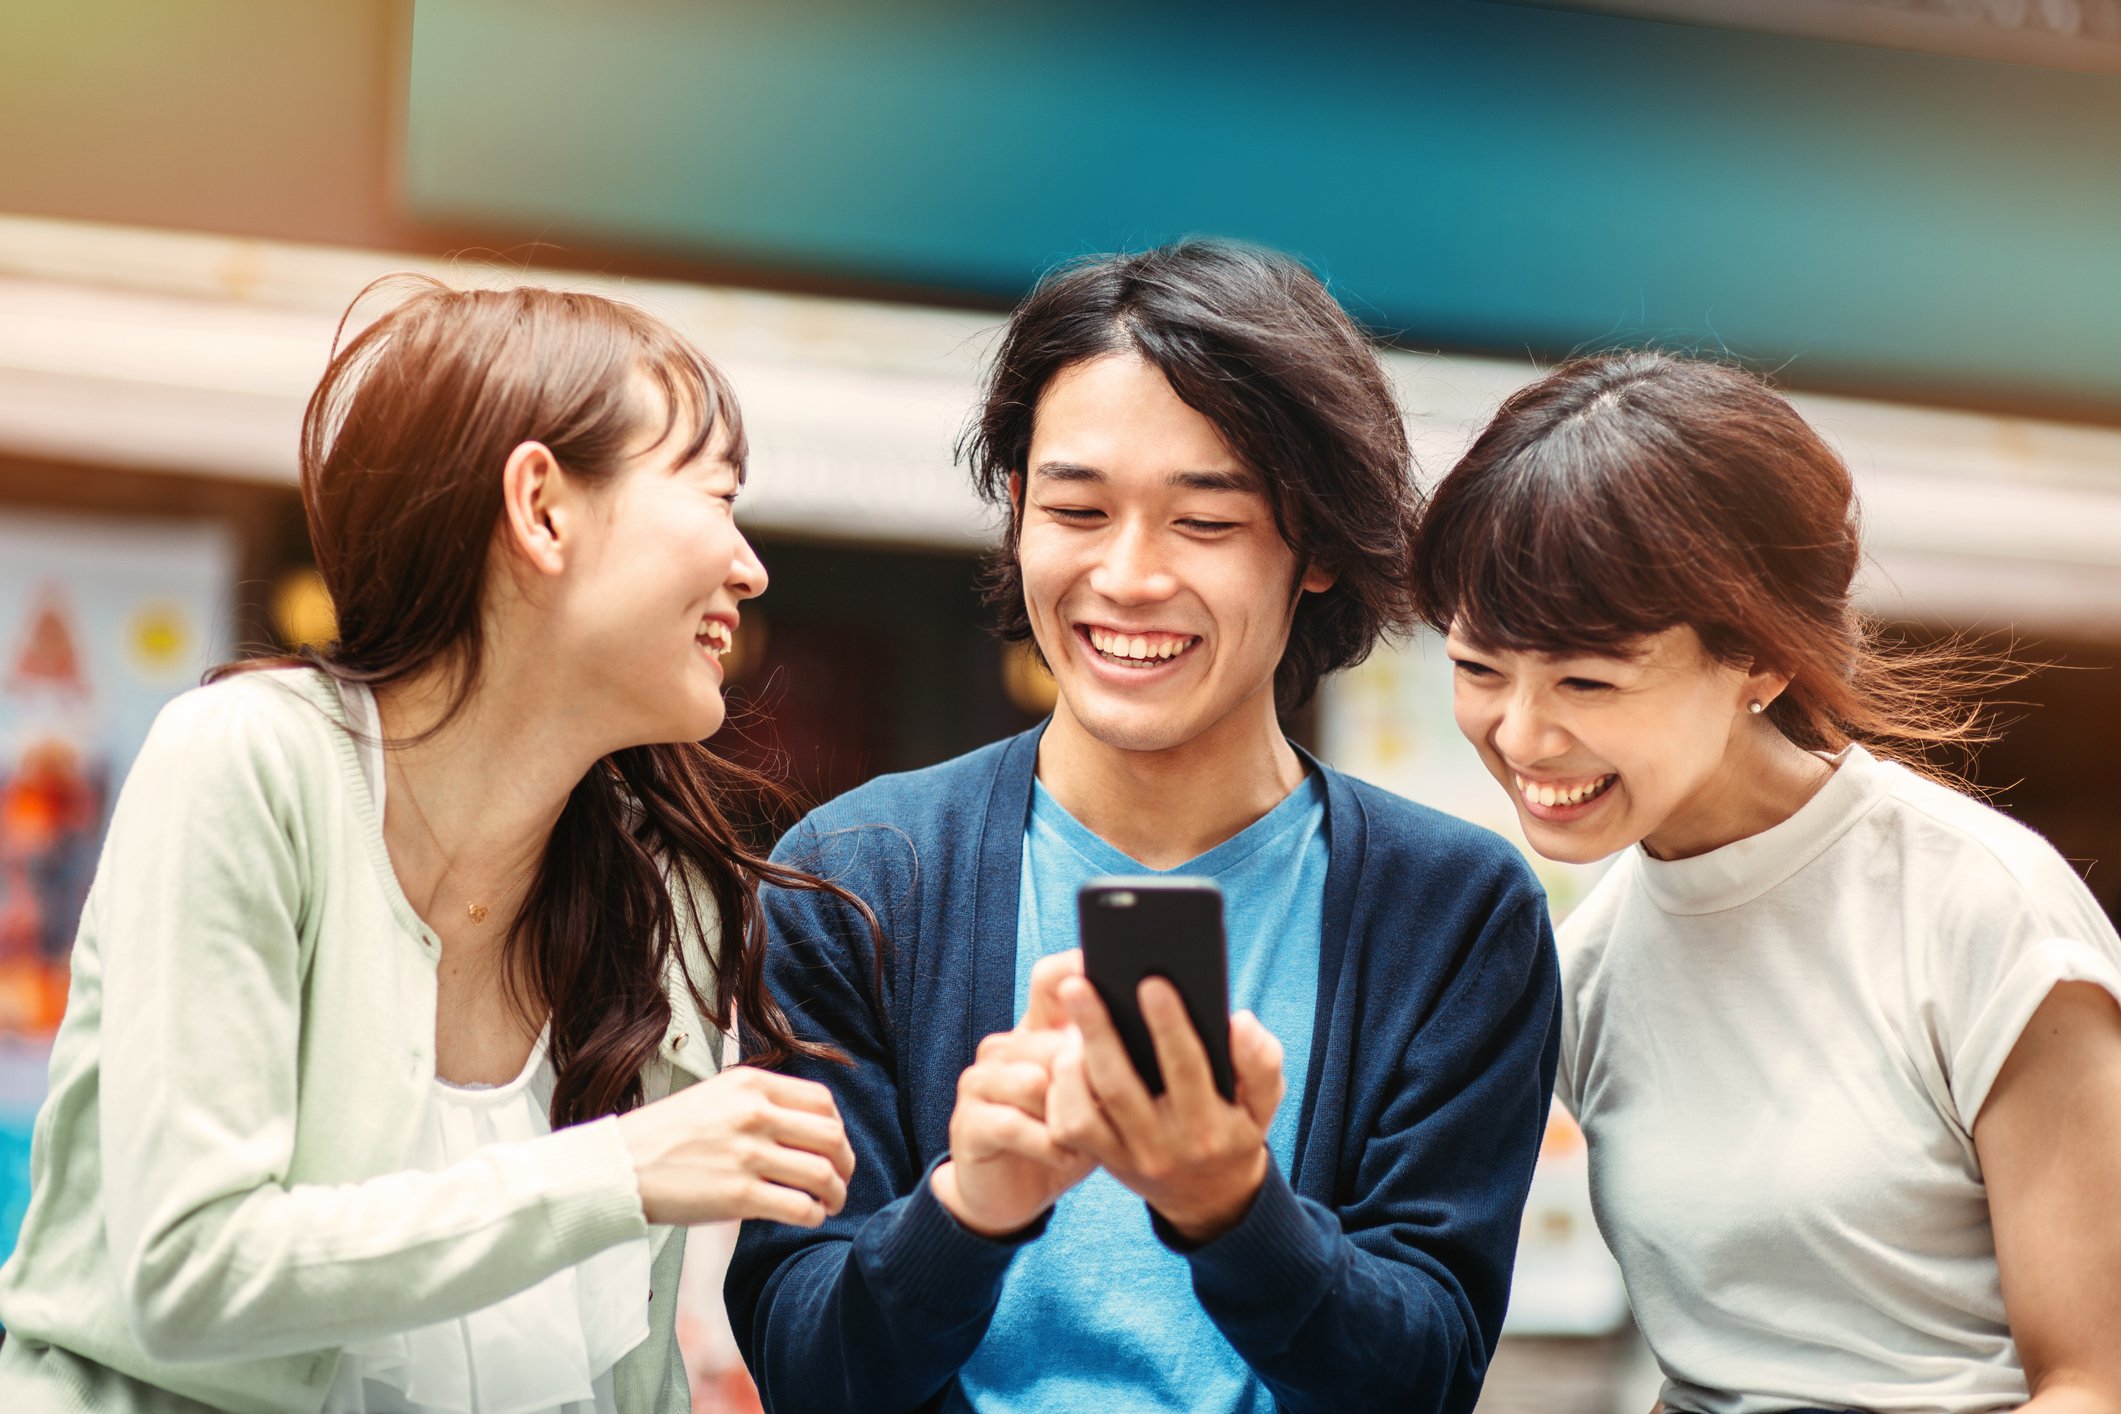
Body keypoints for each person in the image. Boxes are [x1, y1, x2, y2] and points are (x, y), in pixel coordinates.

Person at [725, 241, 1561, 1414]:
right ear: (1016, 511)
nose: (1127, 575)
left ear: (1315, 548)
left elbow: (1426, 1376)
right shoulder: (856, 876)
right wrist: (967, 1208)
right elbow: (804, 1366)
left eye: (1204, 523)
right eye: (1077, 507)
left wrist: (1231, 1203)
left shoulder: (1455, 911)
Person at [0, 279, 863, 1412]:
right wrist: (621, 1170)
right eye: (716, 496)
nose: (750, 568)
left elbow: (633, 1383)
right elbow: (189, 1267)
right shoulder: (250, 762)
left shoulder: (666, 899)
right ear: (543, 508)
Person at [1410, 350, 2121, 1414]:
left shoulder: (1981, 907)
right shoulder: (1589, 966)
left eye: (1586, 679)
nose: (1520, 734)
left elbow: (2093, 1383)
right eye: (1478, 669)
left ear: (1759, 659)